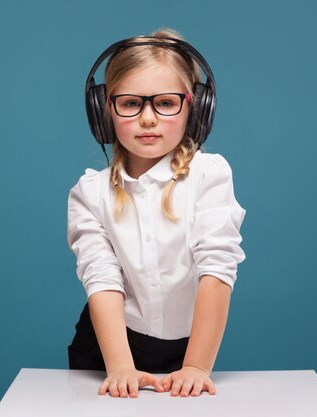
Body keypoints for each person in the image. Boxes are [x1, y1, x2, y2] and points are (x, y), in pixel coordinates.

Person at [67, 28, 246, 398]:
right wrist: (119, 367)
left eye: (165, 103)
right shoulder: (90, 193)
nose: (148, 118)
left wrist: (196, 366)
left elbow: (217, 267)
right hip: (107, 347)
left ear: (195, 108)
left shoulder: (209, 175)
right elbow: (101, 279)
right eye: (131, 103)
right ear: (105, 111)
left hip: (187, 350)